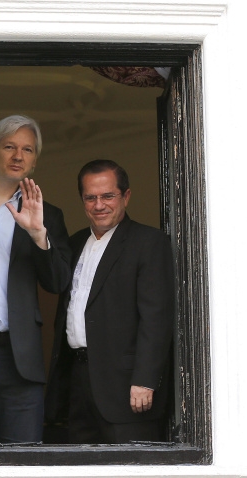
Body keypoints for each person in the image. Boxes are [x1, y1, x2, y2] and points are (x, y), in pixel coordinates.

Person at [45, 159, 174, 444]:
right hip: (78, 382)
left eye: (108, 196)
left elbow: (156, 318)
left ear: (125, 196)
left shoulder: (149, 242)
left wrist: (145, 380)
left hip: (128, 388)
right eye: (90, 197)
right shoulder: (76, 242)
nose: (99, 204)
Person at [0, 115, 71, 443]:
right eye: (10, 147)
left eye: (28, 149)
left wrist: (38, 235)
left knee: (23, 460)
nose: (19, 156)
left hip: (17, 356)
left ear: (34, 160)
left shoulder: (48, 215)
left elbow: (58, 283)